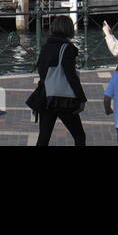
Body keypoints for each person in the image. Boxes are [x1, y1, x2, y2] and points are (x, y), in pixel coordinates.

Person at [32, 16, 87, 146]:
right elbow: (71, 77)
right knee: (79, 136)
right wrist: (81, 98)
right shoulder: (67, 48)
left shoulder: (45, 47)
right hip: (63, 100)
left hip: (46, 98)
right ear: (68, 29)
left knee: (44, 138)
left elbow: (41, 71)